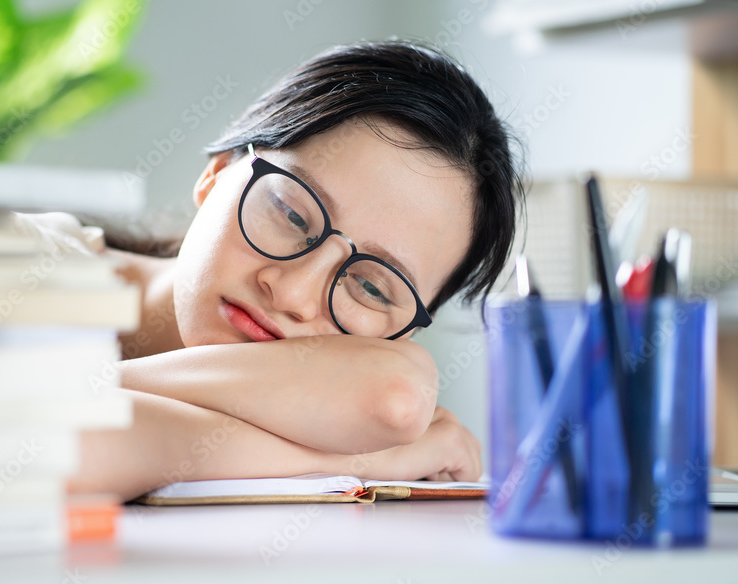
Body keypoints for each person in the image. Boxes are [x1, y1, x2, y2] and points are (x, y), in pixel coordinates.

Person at [66, 40, 523, 501]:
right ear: (218, 174)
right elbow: (52, 450)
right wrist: (360, 462)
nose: (293, 295)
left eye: (370, 287)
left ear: (401, 337)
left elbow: (398, 395)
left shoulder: (372, 377)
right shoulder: (28, 271)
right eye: (291, 214)